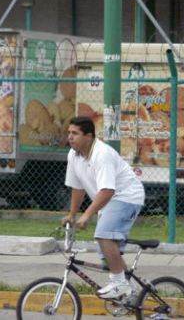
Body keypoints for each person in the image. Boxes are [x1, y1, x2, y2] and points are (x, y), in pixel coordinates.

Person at [62, 116, 145, 299]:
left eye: (75, 133)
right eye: (69, 133)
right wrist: (72, 214)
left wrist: (87, 215)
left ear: (89, 136)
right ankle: (132, 293)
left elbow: (107, 190)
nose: (70, 137)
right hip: (110, 201)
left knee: (103, 235)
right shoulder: (73, 155)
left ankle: (119, 283)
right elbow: (78, 187)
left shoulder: (102, 154)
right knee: (107, 254)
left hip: (126, 196)